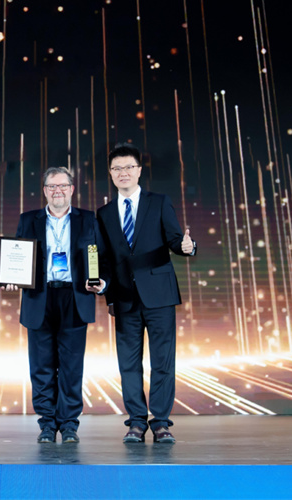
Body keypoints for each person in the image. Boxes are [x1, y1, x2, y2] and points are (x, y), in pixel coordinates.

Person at [96, 143, 196, 444]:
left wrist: (188, 247)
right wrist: (104, 287)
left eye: (129, 167)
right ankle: (137, 422)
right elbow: (104, 259)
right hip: (124, 297)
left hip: (159, 295)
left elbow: (176, 240)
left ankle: (161, 422)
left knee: (162, 361)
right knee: (128, 364)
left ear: (139, 171)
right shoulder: (104, 213)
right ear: (111, 174)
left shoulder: (159, 202)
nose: (123, 173)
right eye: (117, 168)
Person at [5, 167, 108, 444]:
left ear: (72, 189)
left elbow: (104, 258)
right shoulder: (28, 219)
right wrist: (12, 276)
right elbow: (17, 256)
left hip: (75, 297)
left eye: (63, 185)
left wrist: (103, 282)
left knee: (72, 367)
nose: (57, 191)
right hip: (40, 297)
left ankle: (70, 424)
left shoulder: (88, 219)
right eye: (52, 186)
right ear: (44, 191)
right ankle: (47, 424)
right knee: (41, 367)